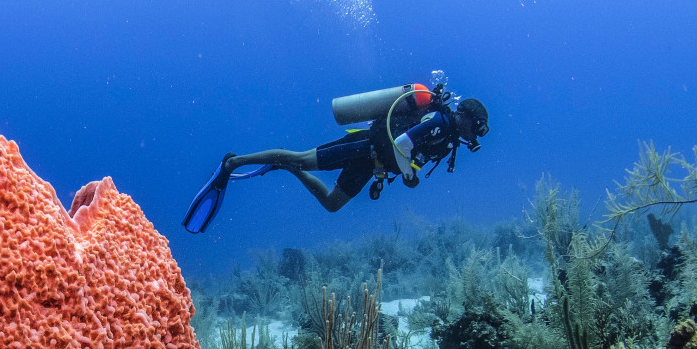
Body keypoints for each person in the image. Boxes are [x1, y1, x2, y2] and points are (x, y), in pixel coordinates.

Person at [182, 81, 489, 233]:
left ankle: (283, 165)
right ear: (465, 118)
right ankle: (232, 162)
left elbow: (409, 152)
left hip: (373, 164)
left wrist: (409, 172)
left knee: (331, 204)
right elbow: (403, 142)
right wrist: (410, 175)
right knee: (301, 158)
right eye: (476, 128)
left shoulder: (447, 138)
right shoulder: (440, 123)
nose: (474, 135)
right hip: (364, 146)